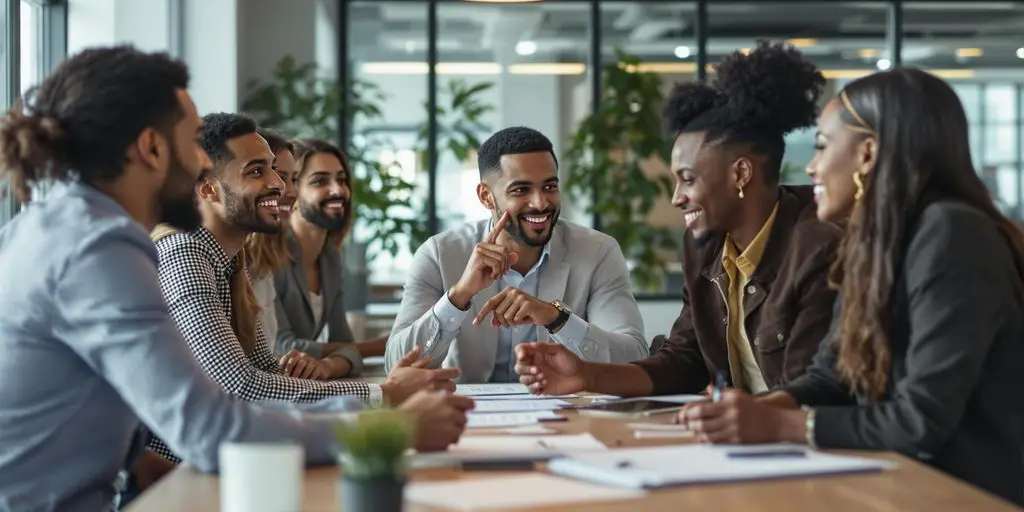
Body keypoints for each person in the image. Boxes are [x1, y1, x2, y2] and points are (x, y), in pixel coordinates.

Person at [0, 45, 471, 512]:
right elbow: (213, 426)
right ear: (151, 148)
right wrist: (391, 422)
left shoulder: (49, 226)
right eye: (191, 143)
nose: (202, 162)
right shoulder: (100, 248)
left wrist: (140, 462)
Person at [679, 68, 1024, 506]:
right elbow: (832, 375)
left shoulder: (952, 233)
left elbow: (920, 421)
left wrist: (781, 426)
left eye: (823, 146)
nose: (811, 166)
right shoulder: (874, 242)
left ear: (868, 154)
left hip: (959, 495)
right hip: (892, 484)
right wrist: (756, 410)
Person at [515, 41, 841, 397]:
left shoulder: (819, 245)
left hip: (800, 441)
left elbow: (812, 390)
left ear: (741, 173)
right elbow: (686, 358)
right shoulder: (705, 247)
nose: (676, 197)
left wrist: (742, 416)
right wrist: (586, 376)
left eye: (688, 179)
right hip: (745, 436)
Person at [148, 113, 456, 463]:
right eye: (255, 171)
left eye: (274, 170)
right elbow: (240, 386)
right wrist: (381, 394)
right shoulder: (185, 254)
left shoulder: (230, 258)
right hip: (177, 470)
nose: (279, 184)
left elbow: (265, 368)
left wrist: (383, 389)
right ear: (207, 188)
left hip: (226, 457)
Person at [386, 126, 648, 383]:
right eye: (521, 190)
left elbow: (633, 358)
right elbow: (395, 365)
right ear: (486, 197)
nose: (541, 203)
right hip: (467, 415)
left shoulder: (598, 252)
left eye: (549, 187)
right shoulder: (439, 254)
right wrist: (459, 295)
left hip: (567, 410)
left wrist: (556, 318)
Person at [273, 138, 388, 380]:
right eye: (319, 181)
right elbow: (282, 347)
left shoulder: (331, 258)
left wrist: (330, 364)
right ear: (292, 190)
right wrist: (380, 346)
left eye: (342, 179)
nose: (338, 190)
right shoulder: (270, 257)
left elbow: (344, 344)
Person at [245, 128, 298, 347]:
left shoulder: (265, 265)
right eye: (280, 175)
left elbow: (264, 358)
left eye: (294, 179)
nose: (291, 190)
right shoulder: (215, 259)